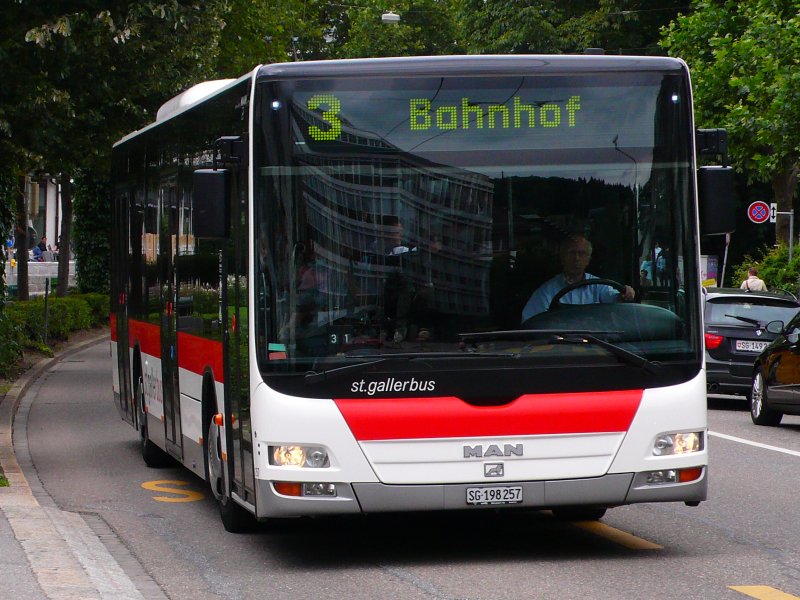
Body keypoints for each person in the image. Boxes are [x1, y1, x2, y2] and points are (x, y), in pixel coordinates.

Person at [521, 234, 635, 322]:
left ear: (588, 259)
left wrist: (626, 294)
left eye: (582, 253)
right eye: (571, 253)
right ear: (562, 257)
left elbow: (616, 299)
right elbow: (531, 322)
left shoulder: (599, 286)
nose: (576, 258)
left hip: (596, 344)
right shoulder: (547, 291)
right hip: (561, 347)